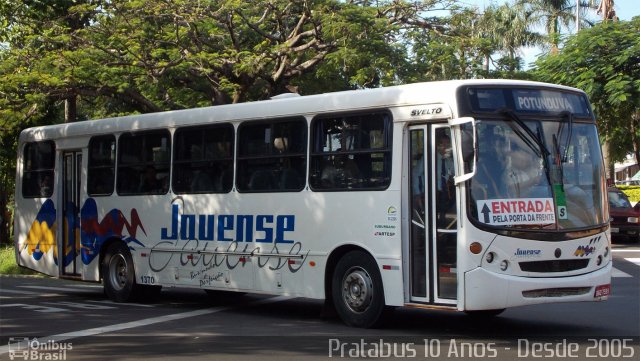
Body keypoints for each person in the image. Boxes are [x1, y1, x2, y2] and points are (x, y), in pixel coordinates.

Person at [435, 133, 455, 227]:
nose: (446, 147)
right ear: (438, 146)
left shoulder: (449, 161)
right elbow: (416, 174)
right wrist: (418, 193)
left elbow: (454, 172)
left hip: (446, 191)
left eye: (448, 144)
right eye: (443, 144)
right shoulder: (431, 159)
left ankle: (445, 229)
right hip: (434, 192)